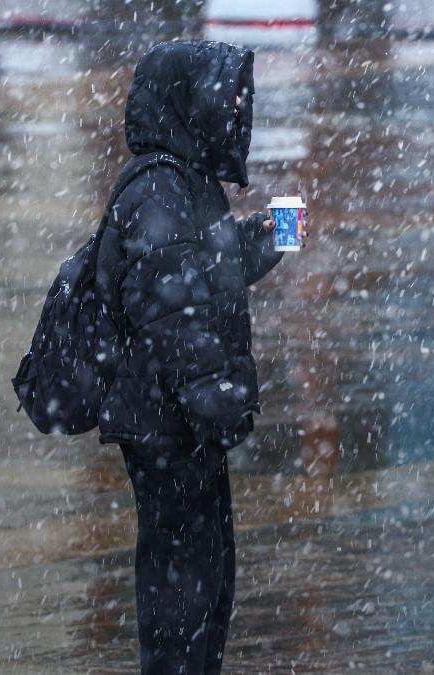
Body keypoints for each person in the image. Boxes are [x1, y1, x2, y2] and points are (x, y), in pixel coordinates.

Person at [94, 41, 285, 674]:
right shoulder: (158, 191)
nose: (235, 106)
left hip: (182, 426)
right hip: (166, 427)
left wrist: (267, 239)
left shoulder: (185, 183)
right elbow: (173, 312)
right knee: (183, 590)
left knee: (208, 581)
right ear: (186, 99)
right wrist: (218, 401)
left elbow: (203, 271)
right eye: (224, 92)